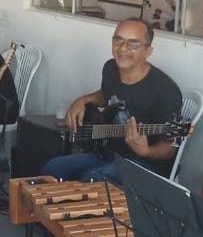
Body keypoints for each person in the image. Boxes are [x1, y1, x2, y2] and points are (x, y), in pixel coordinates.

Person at [44, 19, 183, 182]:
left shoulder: (164, 91)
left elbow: (170, 148)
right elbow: (107, 95)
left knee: (92, 179)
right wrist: (82, 100)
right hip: (108, 153)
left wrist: (145, 151)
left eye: (134, 43)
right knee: (52, 169)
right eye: (118, 40)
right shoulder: (111, 68)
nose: (123, 48)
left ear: (148, 51)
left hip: (147, 164)